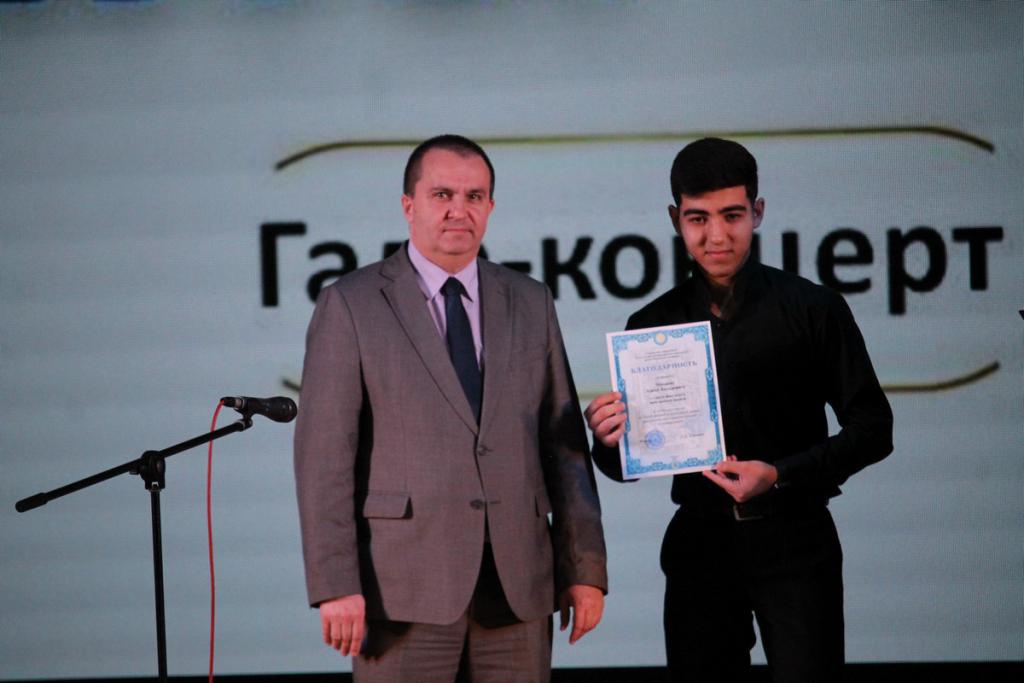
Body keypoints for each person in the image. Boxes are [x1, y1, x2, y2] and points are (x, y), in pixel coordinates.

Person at [294, 134, 607, 682]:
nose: (459, 210)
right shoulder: (351, 303)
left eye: (474, 196)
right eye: (442, 195)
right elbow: (325, 460)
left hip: (519, 586)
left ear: (490, 206)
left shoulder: (530, 299)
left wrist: (585, 568)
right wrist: (335, 584)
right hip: (400, 592)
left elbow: (564, 447)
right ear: (408, 205)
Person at [585, 138, 893, 682]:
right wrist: (607, 441)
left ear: (758, 212)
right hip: (699, 545)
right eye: (698, 218)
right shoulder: (651, 326)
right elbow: (626, 467)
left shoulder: (813, 308)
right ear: (676, 219)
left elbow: (873, 428)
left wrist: (780, 473)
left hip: (797, 540)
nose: (717, 235)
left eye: (732, 215)